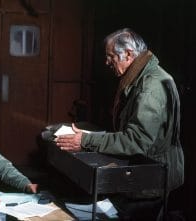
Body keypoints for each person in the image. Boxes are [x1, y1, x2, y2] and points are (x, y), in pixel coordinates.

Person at [55, 28, 184, 220]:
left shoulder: (150, 86)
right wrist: (91, 135)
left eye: (111, 57)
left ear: (129, 54)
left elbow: (136, 141)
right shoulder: (141, 77)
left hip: (151, 179)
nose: (107, 62)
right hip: (146, 175)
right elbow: (134, 131)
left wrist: (87, 140)